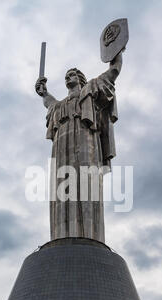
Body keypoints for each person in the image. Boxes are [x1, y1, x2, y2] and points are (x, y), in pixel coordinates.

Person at [35, 51, 124, 243]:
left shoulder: (90, 90)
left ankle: (89, 236)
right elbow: (47, 101)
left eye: (72, 75)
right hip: (61, 149)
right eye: (66, 76)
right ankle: (62, 236)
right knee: (61, 189)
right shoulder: (59, 107)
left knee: (87, 184)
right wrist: (43, 91)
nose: (68, 77)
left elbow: (113, 71)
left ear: (80, 79)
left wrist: (116, 50)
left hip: (86, 142)